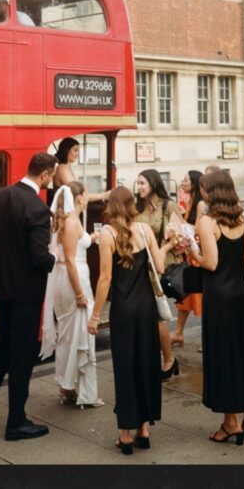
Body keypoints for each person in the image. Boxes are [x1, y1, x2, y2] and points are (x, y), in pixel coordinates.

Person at [0, 152, 58, 440]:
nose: (50, 181)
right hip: (26, 295)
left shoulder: (2, 196)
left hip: (2, 288)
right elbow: (39, 257)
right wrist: (56, 258)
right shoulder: (39, 209)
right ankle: (16, 422)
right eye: (51, 176)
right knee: (21, 356)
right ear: (44, 175)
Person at [88, 187, 179, 453]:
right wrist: (170, 245)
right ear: (131, 206)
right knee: (146, 365)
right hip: (146, 309)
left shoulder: (107, 234)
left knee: (125, 369)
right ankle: (145, 429)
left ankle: (126, 434)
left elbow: (105, 279)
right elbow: (160, 268)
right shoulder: (144, 230)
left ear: (111, 207)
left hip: (124, 311)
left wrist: (95, 315)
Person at [193, 170, 244, 444]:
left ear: (213, 192)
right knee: (240, 352)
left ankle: (230, 423)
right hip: (239, 291)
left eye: (204, 189)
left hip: (218, 294)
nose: (201, 194)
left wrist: (191, 251)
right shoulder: (241, 220)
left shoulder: (207, 222)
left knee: (222, 356)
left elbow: (210, 262)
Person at [40, 181, 104, 408]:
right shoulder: (70, 222)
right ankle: (79, 390)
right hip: (73, 280)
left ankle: (68, 386)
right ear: (79, 198)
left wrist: (92, 238)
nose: (88, 198)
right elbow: (69, 261)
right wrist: (79, 294)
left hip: (70, 277)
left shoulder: (70, 221)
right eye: (86, 195)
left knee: (71, 334)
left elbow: (75, 247)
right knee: (78, 333)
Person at [135, 169, 183, 379]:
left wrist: (162, 250)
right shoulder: (138, 208)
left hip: (161, 267)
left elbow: (179, 235)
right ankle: (160, 358)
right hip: (142, 266)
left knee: (156, 315)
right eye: (137, 183)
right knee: (147, 315)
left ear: (153, 184)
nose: (139, 187)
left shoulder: (167, 206)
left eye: (142, 183)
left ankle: (169, 359)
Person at [170, 170, 204, 347]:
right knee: (185, 296)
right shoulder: (189, 200)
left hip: (197, 255)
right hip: (189, 253)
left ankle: (208, 336)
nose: (182, 182)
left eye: (186, 180)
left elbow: (199, 229)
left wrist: (180, 223)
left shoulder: (200, 204)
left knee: (199, 296)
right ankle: (178, 333)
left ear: (194, 184)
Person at [50, 137, 109, 203]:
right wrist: (104, 195)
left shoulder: (66, 167)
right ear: (66, 150)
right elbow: (77, 193)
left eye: (78, 151)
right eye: (75, 150)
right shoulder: (62, 168)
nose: (77, 154)